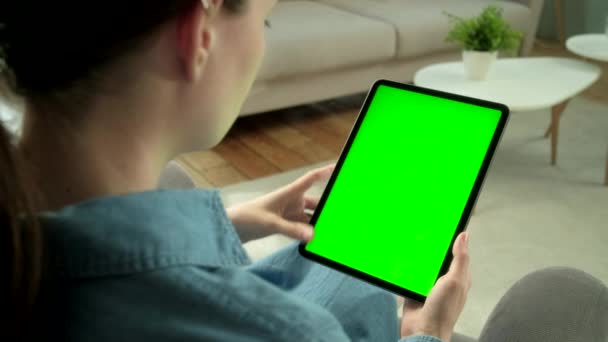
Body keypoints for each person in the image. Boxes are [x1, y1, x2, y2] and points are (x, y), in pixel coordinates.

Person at [1, 1, 606, 341]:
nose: (261, 42)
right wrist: (428, 332)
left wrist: (232, 221)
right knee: (559, 297)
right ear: (199, 35)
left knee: (348, 265)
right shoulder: (284, 332)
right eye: (263, 20)